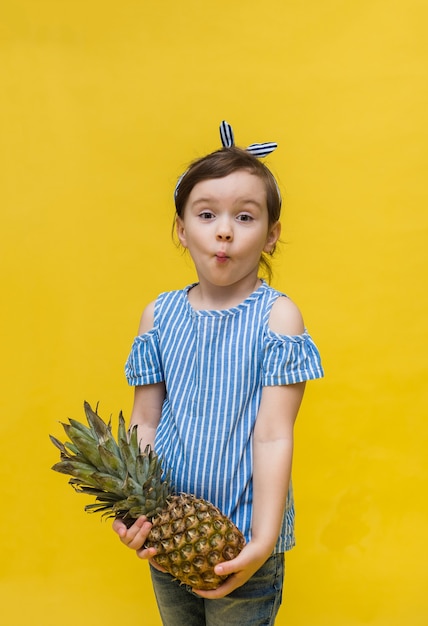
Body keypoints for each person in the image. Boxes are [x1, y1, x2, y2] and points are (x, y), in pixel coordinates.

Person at [113, 121, 324, 625]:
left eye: (245, 216)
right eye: (207, 214)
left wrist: (264, 539)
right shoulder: (159, 317)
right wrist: (131, 510)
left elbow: (274, 435)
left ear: (271, 236)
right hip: (168, 532)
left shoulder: (277, 318)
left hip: (244, 535)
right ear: (183, 230)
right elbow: (145, 421)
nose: (225, 229)